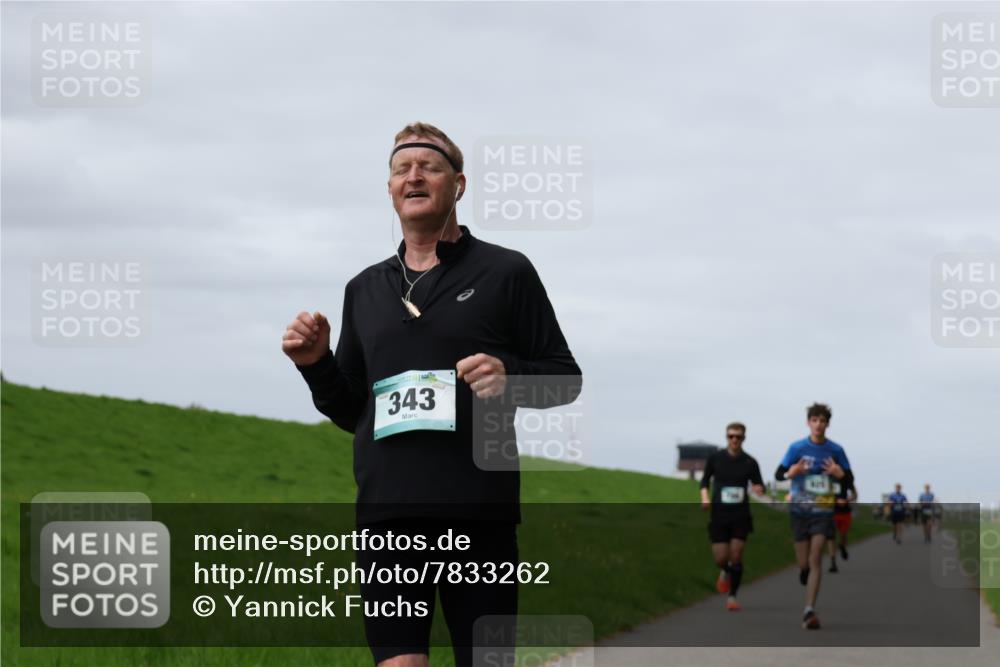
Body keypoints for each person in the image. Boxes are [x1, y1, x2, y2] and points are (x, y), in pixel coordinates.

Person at [282, 122, 582, 667]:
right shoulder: (364, 289)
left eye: (429, 166)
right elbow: (354, 411)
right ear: (391, 189)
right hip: (388, 514)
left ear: (458, 185)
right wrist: (315, 363)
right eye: (402, 169)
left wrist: (508, 374)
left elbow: (565, 378)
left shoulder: (506, 272)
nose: (413, 176)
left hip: (479, 513)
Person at [775, 402, 853, 630]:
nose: (818, 425)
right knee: (804, 562)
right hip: (800, 510)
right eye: (815, 420)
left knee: (816, 555)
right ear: (808, 423)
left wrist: (840, 475)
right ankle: (803, 570)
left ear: (828, 424)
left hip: (823, 510)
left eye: (823, 421)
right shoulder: (797, 448)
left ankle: (809, 610)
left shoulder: (836, 450)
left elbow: (849, 479)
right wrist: (793, 472)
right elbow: (779, 474)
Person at [699, 422, 765, 611]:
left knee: (736, 555)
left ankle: (732, 596)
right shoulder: (715, 458)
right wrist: (705, 498)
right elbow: (704, 482)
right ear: (726, 437)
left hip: (740, 515)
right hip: (719, 514)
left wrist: (759, 489)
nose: (734, 440)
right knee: (720, 558)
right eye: (731, 436)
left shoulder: (749, 462)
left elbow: (759, 484)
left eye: (738, 436)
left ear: (744, 438)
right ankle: (726, 571)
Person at [827, 478, 857, 573]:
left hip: (845, 513)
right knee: (831, 537)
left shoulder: (846, 479)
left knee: (843, 534)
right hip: (832, 512)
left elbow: (855, 494)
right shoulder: (828, 480)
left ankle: (842, 546)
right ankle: (833, 563)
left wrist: (847, 500)